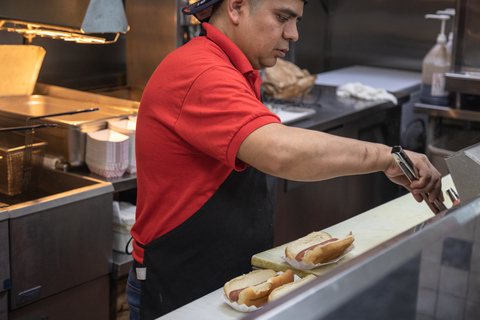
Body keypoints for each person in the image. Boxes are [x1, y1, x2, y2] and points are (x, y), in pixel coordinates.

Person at [126, 0, 444, 319]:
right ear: (236, 8)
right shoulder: (200, 70)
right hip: (178, 285)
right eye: (282, 18)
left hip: (222, 280)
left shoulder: (238, 68)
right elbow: (280, 152)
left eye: (296, 21)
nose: (292, 34)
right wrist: (386, 158)